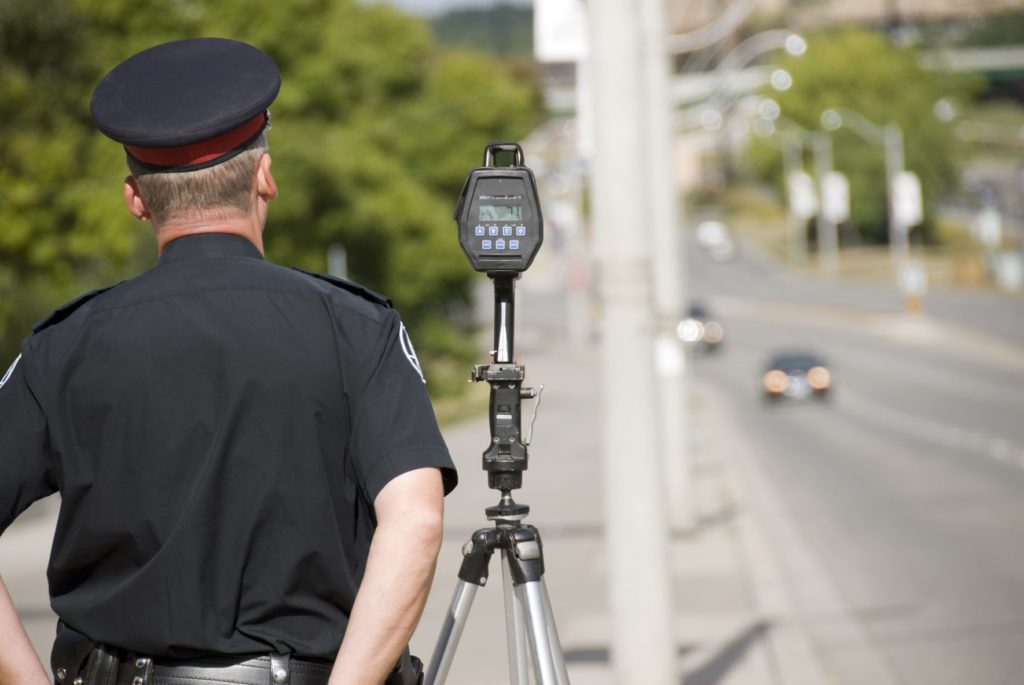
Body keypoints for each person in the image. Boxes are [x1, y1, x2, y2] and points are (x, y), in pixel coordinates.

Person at [0, 37, 457, 685]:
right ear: (265, 176)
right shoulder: (357, 327)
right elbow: (415, 515)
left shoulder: (63, 346)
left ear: (135, 199)